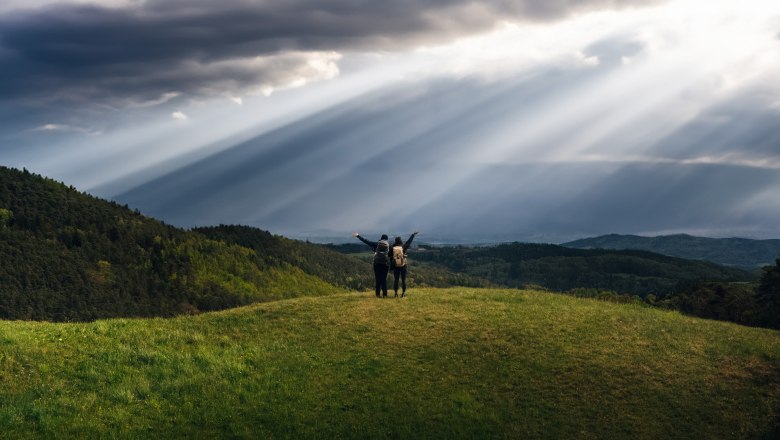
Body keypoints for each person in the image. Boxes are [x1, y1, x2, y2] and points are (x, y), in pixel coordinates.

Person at [353, 232, 390, 298]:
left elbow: (366, 241)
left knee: (378, 279)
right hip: (385, 264)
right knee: (384, 279)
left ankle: (378, 294)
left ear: (381, 239)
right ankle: (385, 294)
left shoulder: (377, 244)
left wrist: (358, 236)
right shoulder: (389, 246)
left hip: (377, 264)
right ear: (387, 239)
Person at [389, 231, 419, 298]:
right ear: (401, 241)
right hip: (403, 265)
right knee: (403, 280)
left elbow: (389, 256)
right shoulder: (403, 247)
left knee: (396, 280)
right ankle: (403, 294)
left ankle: (396, 294)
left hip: (396, 266)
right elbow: (408, 242)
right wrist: (412, 235)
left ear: (395, 241)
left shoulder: (392, 248)